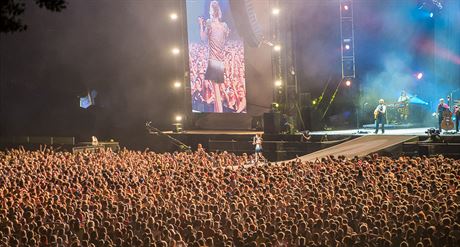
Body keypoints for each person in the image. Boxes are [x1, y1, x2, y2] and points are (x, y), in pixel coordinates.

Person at [199, 0, 230, 113]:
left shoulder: (209, 23)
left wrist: (201, 25)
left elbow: (203, 38)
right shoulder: (224, 26)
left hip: (213, 60)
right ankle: (218, 113)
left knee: (216, 92)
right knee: (216, 90)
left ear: (212, 11)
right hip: (220, 61)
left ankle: (220, 114)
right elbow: (224, 39)